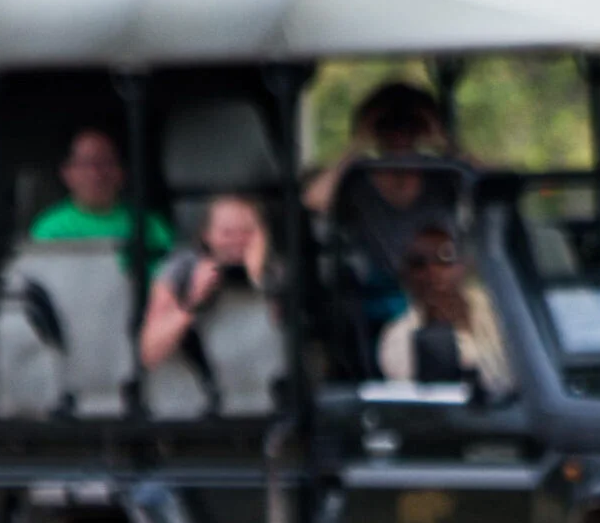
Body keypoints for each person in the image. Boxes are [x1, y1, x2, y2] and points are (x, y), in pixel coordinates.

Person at [305, 81, 463, 320]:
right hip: (377, 298)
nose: (400, 133)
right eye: (388, 124)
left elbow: (495, 185)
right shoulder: (358, 178)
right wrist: (357, 145)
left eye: (410, 123)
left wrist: (444, 142)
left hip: (441, 285)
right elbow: (314, 201)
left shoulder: (442, 174)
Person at [139, 196, 280, 404]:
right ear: (207, 235)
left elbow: (283, 347)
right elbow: (149, 353)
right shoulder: (182, 270)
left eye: (247, 232)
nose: (237, 241)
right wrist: (194, 300)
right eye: (227, 233)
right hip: (199, 400)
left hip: (261, 396)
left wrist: (258, 282)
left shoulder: (277, 273)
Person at [377, 225, 511, 398]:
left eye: (445, 258)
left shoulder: (500, 312)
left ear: (462, 265)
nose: (433, 271)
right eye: (419, 263)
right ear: (406, 276)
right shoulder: (397, 336)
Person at [29, 128, 172, 265]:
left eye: (105, 162)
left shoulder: (150, 226)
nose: (96, 174)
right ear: (66, 173)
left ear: (121, 172)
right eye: (85, 164)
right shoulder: (50, 229)